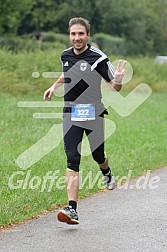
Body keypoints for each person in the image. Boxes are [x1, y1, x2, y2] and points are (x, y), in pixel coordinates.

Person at [43, 17, 126, 225]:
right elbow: (66, 73)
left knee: (98, 154)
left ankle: (106, 171)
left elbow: (114, 88)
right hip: (70, 111)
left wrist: (118, 79)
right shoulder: (65, 55)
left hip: (93, 112)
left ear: (88, 35)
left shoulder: (98, 57)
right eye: (73, 34)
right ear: (69, 35)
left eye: (81, 34)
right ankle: (72, 208)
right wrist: (54, 86)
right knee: (72, 157)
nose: (77, 38)